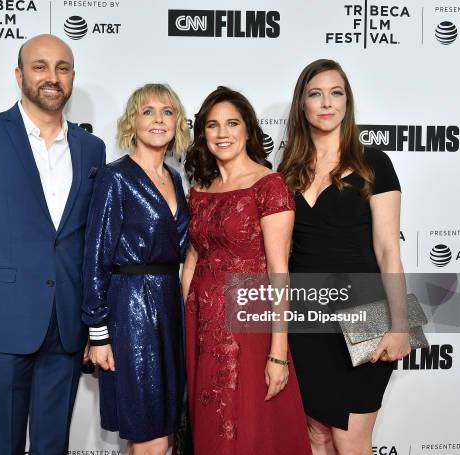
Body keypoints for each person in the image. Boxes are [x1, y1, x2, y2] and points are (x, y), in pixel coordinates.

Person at [0, 34, 106, 454]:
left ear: (72, 78)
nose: (52, 77)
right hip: (0, 321)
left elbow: (90, 244)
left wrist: (95, 321)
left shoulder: (92, 149)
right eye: (40, 66)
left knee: (53, 445)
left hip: (67, 324)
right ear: (19, 75)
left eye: (62, 68)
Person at [278, 59, 411, 454]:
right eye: (315, 94)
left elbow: (389, 249)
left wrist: (400, 325)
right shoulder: (286, 171)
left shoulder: (374, 163)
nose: (326, 103)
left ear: (347, 102)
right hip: (306, 318)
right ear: (302, 103)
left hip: (365, 313)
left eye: (336, 93)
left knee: (351, 441)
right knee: (315, 435)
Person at [181, 86, 312, 454]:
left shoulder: (269, 186)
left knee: (248, 428)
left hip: (248, 326)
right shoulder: (200, 189)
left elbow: (278, 273)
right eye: (212, 125)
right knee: (208, 426)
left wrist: (278, 353)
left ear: (248, 130)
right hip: (201, 323)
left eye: (232, 123)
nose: (222, 133)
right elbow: (192, 261)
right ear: (203, 133)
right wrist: (186, 326)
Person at [82, 83, 190, 455]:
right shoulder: (117, 177)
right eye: (148, 111)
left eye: (167, 111)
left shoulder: (175, 178)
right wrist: (98, 333)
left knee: (163, 433)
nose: (158, 120)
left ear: (178, 122)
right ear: (133, 121)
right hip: (130, 310)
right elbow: (96, 255)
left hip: (168, 307)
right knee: (151, 435)